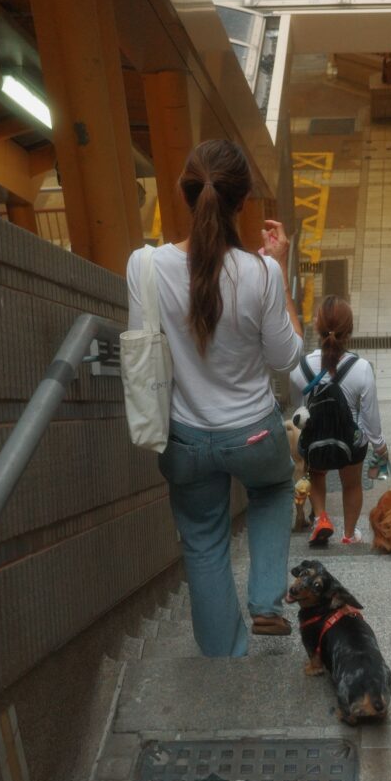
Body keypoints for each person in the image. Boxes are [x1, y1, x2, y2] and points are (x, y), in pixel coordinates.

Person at [126, 139, 303, 657]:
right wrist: (281, 273)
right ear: (242, 202)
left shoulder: (145, 266)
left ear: (185, 195)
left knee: (203, 542)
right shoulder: (261, 273)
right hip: (253, 432)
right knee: (274, 489)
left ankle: (223, 660)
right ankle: (267, 600)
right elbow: (286, 358)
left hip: (184, 438)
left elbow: (143, 348)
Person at [290, 295, 388, 545]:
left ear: (317, 326)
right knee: (352, 484)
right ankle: (349, 535)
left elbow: (299, 411)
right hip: (350, 445)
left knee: (317, 475)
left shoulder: (301, 368)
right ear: (350, 330)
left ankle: (321, 518)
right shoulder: (362, 368)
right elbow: (370, 418)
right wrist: (380, 446)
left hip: (316, 440)